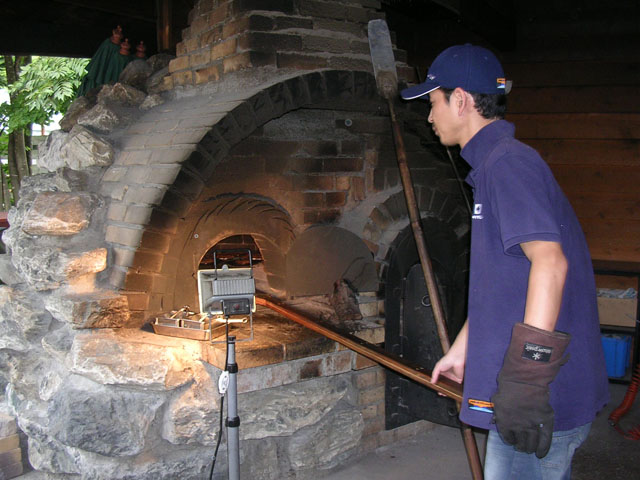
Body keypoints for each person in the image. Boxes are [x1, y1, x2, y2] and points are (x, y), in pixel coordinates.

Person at [401, 44, 609, 479]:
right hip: (522, 388)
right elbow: (503, 283)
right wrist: (464, 348)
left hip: (535, 397)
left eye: (433, 102)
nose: (430, 116)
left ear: (460, 100)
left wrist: (527, 380)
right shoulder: (494, 165)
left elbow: (550, 263)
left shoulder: (508, 164)